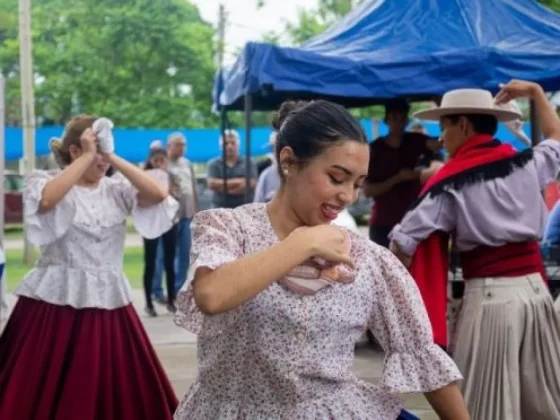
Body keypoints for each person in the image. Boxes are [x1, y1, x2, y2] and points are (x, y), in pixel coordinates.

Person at [173, 100, 468, 419]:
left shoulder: (367, 259)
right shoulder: (229, 230)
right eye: (336, 177)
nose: (348, 197)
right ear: (289, 161)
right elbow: (211, 295)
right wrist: (302, 242)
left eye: (357, 184)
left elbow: (421, 355)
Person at [389, 81, 560, 419]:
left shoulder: (449, 182)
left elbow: (403, 241)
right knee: (542, 405)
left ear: (463, 125)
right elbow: (557, 139)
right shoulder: (528, 163)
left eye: (444, 127)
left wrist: (396, 294)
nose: (441, 138)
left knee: (482, 408)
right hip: (537, 295)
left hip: (491, 301)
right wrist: (537, 94)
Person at [0, 116, 179, 419]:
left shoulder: (115, 189)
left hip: (109, 302)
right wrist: (86, 156)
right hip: (54, 304)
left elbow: (158, 194)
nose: (104, 163)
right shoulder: (45, 181)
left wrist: (110, 155)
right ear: (75, 151)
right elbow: (46, 201)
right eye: (98, 152)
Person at [363, 99, 443, 248]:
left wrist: (442, 110)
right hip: (383, 222)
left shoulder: (416, 140)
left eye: (402, 119)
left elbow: (442, 144)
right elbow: (368, 191)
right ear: (386, 120)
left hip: (414, 221)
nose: (399, 123)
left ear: (407, 120)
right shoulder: (375, 149)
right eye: (395, 118)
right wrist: (397, 178)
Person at [153, 133, 199, 300]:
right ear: (169, 146)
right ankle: (157, 290)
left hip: (187, 214)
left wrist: (197, 211)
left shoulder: (187, 163)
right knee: (163, 254)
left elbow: (193, 188)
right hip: (168, 217)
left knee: (185, 253)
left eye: (184, 144)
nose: (182, 148)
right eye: (178, 144)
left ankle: (178, 289)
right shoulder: (162, 164)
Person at [141, 147, 178, 316]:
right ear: (150, 161)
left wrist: (165, 177)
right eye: (156, 160)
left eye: (162, 160)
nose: (159, 163)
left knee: (169, 262)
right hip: (150, 223)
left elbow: (175, 196)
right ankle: (149, 302)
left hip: (168, 221)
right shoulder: (143, 177)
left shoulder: (170, 176)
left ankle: (171, 299)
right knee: (150, 262)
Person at [207, 129, 257, 208]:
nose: (229, 146)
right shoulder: (213, 164)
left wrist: (223, 187)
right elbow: (212, 183)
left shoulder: (249, 162)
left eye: (233, 143)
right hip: (219, 209)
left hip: (245, 209)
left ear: (238, 145)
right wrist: (239, 181)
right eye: (226, 143)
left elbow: (251, 184)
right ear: (220, 146)